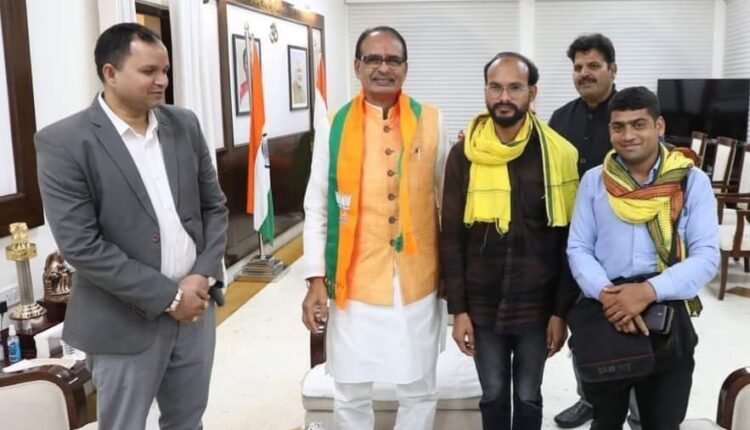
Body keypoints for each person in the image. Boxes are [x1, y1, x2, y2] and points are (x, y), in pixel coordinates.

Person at [35, 23, 228, 430]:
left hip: (195, 310)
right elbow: (82, 246)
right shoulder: (64, 142)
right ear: (110, 73)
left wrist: (201, 276)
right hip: (122, 320)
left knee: (188, 421)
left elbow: (214, 207)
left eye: (165, 71)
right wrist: (170, 297)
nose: (162, 81)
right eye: (149, 71)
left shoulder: (184, 125)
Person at [301, 26, 448, 430]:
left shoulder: (432, 120)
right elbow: (317, 206)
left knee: (419, 386)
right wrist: (315, 278)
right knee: (350, 388)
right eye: (373, 59)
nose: (384, 68)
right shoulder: (333, 124)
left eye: (393, 60)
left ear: (406, 68)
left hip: (417, 277)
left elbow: (446, 201)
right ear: (357, 66)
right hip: (354, 278)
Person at [440, 52, 579, 430]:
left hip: (538, 303)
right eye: (495, 87)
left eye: (515, 87)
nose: (504, 96)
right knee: (494, 393)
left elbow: (569, 241)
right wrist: (458, 310)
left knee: (529, 396)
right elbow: (451, 236)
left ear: (532, 92)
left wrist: (560, 312)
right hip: (482, 302)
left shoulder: (558, 154)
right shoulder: (464, 155)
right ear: (485, 90)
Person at [567, 86, 719, 429]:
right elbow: (579, 248)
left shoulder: (690, 181)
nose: (628, 135)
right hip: (606, 311)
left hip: (666, 312)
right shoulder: (594, 181)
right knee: (605, 420)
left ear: (659, 126)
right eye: (618, 126)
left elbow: (707, 256)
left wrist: (647, 291)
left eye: (639, 124)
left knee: (662, 421)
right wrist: (611, 297)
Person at [549, 33, 644, 429]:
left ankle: (640, 410)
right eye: (578, 67)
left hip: (626, 242)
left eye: (593, 66)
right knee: (584, 326)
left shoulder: (631, 117)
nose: (584, 73)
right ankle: (589, 397)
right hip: (573, 244)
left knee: (635, 327)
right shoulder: (560, 119)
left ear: (613, 70)